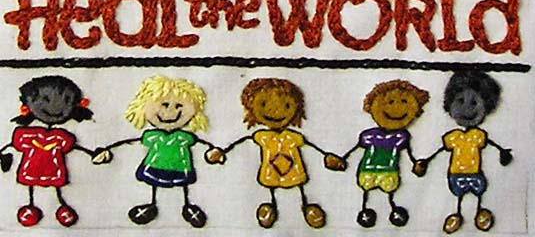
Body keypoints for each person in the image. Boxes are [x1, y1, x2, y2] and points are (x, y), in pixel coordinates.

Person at [205, 77, 344, 228]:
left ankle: (307, 207)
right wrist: (222, 151)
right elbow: (241, 141)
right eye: (264, 104)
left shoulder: (291, 137)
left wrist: (327, 157)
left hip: (293, 171)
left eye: (286, 105)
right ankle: (271, 207)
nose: (275, 111)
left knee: (300, 190)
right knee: (273, 189)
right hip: (271, 172)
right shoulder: (263, 137)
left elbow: (313, 147)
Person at [91, 76, 221, 227]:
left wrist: (213, 152)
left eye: (179, 106)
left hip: (179, 167)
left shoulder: (183, 137)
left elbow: (202, 144)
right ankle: (152, 205)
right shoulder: (154, 136)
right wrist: (107, 151)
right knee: (155, 185)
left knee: (182, 187)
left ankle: (187, 206)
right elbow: (130, 142)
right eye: (164, 105)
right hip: (156, 165)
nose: (170, 112)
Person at [412, 70, 513, 233]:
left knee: (478, 193)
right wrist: (426, 161)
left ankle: (479, 212)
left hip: (474, 173)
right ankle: (458, 214)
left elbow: (491, 144)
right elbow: (441, 150)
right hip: (456, 173)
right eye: (460, 101)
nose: (467, 109)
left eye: (474, 103)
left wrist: (503, 153)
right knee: (459, 195)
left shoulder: (478, 135)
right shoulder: (454, 137)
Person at [0, 75, 101, 227]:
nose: (54, 108)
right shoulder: (28, 134)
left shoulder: (58, 137)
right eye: (46, 100)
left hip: (50, 169)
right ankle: (33, 207)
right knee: (33, 187)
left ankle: (60, 206)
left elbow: (71, 145)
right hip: (35, 168)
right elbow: (14, 144)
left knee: (54, 187)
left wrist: (93, 153)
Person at [337, 80, 429, 228]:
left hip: (389, 171)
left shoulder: (400, 137)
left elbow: (410, 155)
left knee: (388, 191)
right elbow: (354, 149)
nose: (396, 108)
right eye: (390, 102)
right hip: (368, 170)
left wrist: (417, 165)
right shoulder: (370, 136)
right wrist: (341, 160)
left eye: (404, 102)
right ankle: (365, 211)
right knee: (367, 191)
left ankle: (392, 210)